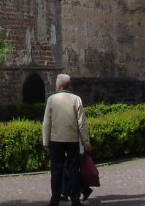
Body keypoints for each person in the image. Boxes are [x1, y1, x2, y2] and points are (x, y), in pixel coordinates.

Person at [43, 73, 92, 206]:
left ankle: (55, 199)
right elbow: (82, 124)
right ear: (68, 86)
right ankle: (75, 200)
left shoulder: (51, 100)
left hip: (56, 140)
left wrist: (45, 142)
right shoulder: (76, 99)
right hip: (72, 140)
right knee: (73, 170)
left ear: (58, 86)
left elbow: (46, 123)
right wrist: (86, 142)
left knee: (56, 170)